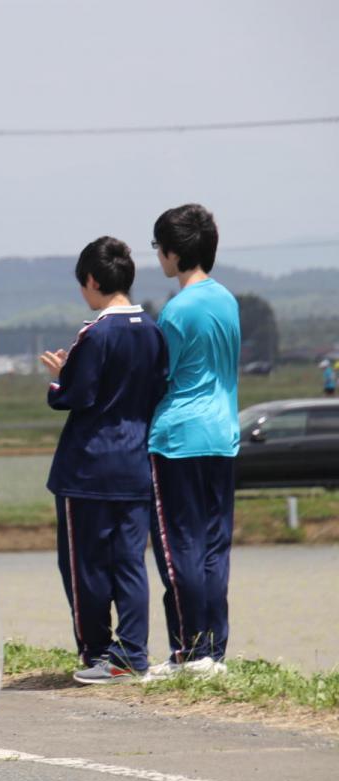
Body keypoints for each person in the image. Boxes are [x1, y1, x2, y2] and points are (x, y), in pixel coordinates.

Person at [40, 237, 168, 684]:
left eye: (83, 285)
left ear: (93, 281)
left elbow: (76, 396)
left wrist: (58, 380)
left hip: (89, 466)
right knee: (130, 561)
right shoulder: (153, 331)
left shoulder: (95, 335)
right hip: (136, 460)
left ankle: (97, 651)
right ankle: (133, 651)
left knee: (84, 565)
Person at [146, 204, 240, 680]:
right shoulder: (227, 300)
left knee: (178, 545)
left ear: (174, 253)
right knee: (213, 546)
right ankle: (214, 652)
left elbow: (161, 376)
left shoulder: (176, 311)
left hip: (178, 437)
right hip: (222, 434)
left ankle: (187, 651)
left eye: (158, 248)